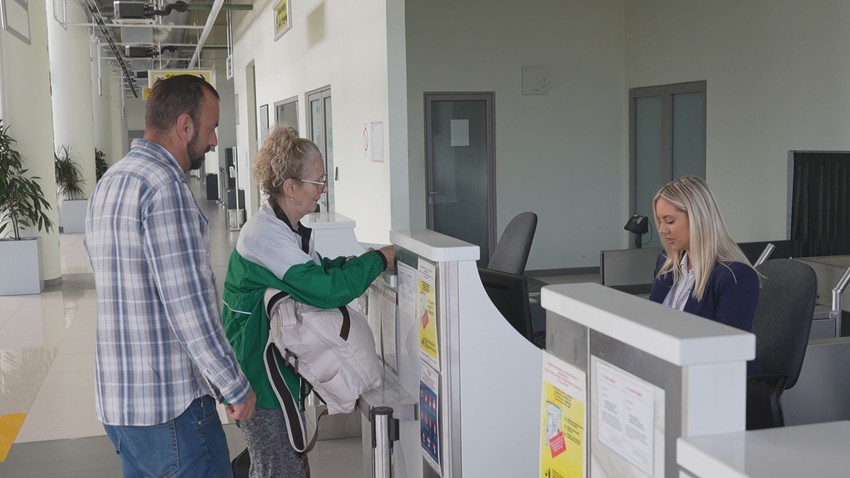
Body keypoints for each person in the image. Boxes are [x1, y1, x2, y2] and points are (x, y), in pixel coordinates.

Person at [85, 74, 256, 477]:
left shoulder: (111, 182)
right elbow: (190, 311)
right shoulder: (166, 190)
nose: (215, 140)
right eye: (211, 127)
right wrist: (234, 386)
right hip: (171, 410)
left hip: (120, 406)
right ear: (184, 126)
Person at [221, 126, 396, 477]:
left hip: (274, 374)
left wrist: (346, 264)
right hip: (259, 380)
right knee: (280, 469)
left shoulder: (286, 228)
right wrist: (378, 260)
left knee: (285, 465)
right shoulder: (265, 234)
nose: (322, 190)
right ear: (291, 187)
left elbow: (311, 274)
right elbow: (324, 290)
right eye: (317, 182)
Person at [648, 176, 760, 341]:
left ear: (698, 218)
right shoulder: (667, 263)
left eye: (669, 221)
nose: (663, 230)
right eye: (659, 221)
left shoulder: (735, 276)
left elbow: (728, 350)